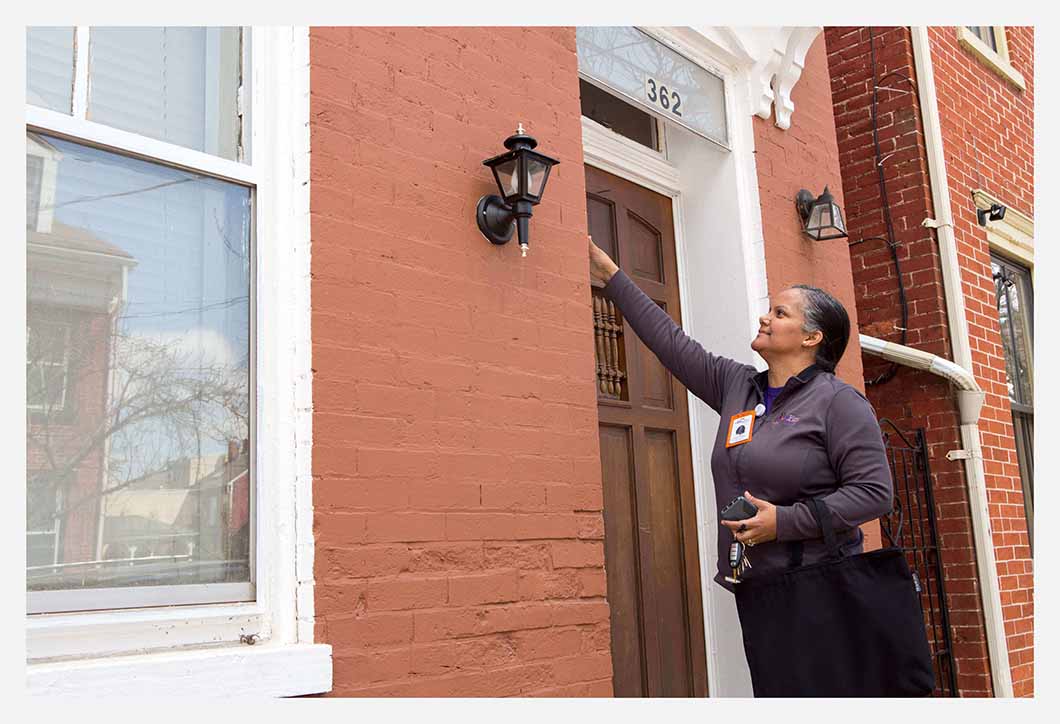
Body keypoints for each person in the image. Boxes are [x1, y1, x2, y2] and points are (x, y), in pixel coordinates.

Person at [588, 236, 894, 681]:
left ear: (812, 337)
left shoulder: (838, 403)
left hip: (820, 587)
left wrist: (785, 521)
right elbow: (671, 343)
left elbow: (875, 493)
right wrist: (611, 277)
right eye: (770, 309)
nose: (764, 317)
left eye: (780, 313)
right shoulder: (738, 387)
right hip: (756, 586)